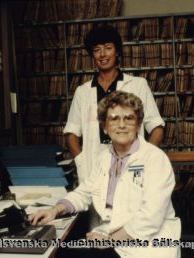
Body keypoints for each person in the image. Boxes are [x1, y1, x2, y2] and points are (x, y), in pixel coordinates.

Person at [29, 91, 181, 258]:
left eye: (129, 118)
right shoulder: (103, 158)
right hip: (112, 237)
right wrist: (55, 210)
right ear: (104, 127)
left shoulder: (155, 159)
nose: (121, 125)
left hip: (148, 245)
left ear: (138, 125)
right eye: (114, 119)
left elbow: (150, 217)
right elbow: (85, 192)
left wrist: (110, 240)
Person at [64, 25, 164, 184]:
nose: (102, 54)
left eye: (108, 48)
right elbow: (71, 133)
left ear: (117, 52)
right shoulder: (82, 92)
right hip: (94, 165)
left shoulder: (138, 85)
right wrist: (81, 161)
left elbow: (157, 128)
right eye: (97, 50)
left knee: (131, 202)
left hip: (131, 162)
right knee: (96, 207)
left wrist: (144, 156)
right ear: (92, 55)